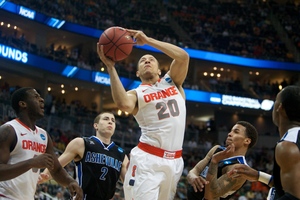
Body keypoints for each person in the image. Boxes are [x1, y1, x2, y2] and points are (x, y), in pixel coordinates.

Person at [97, 28, 189, 200]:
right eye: (142, 60)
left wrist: (148, 41)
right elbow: (123, 103)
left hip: (175, 161)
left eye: (151, 59)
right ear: (138, 73)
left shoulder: (173, 82)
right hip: (148, 160)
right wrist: (110, 68)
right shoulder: (136, 93)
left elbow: (183, 57)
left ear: (160, 70)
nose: (147, 60)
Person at [0, 87, 83, 200]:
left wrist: (70, 181)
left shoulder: (43, 135)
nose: (42, 100)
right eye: (36, 97)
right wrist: (31, 163)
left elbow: (56, 169)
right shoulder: (9, 130)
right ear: (23, 104)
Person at [228, 85, 300, 199]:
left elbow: (293, 197)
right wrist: (258, 175)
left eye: (276, 101)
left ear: (280, 108)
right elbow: (285, 186)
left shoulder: (288, 145)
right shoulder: (293, 139)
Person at [38, 112, 129, 200]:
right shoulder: (81, 143)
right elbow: (57, 164)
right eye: (106, 119)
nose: (110, 122)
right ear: (95, 125)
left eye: (113, 120)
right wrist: (44, 175)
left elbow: (129, 185)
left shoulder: (122, 154)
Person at [187, 121, 258, 200]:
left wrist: (214, 162)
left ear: (247, 141)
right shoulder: (217, 149)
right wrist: (193, 177)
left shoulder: (240, 169)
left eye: (236, 132)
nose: (229, 134)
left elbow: (211, 195)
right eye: (231, 130)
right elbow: (194, 170)